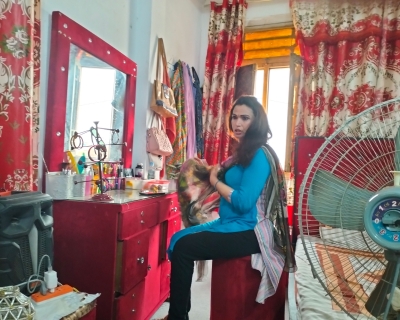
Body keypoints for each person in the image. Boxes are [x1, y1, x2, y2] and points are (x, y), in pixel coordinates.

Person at [160, 95, 274, 320]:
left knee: (184, 248)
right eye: (234, 117)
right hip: (231, 223)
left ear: (257, 121)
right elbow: (219, 171)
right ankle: (181, 311)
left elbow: (242, 201)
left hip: (250, 230)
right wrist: (199, 170)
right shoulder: (241, 153)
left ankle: (177, 317)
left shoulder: (259, 154)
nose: (237, 123)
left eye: (245, 118)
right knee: (177, 239)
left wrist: (214, 182)